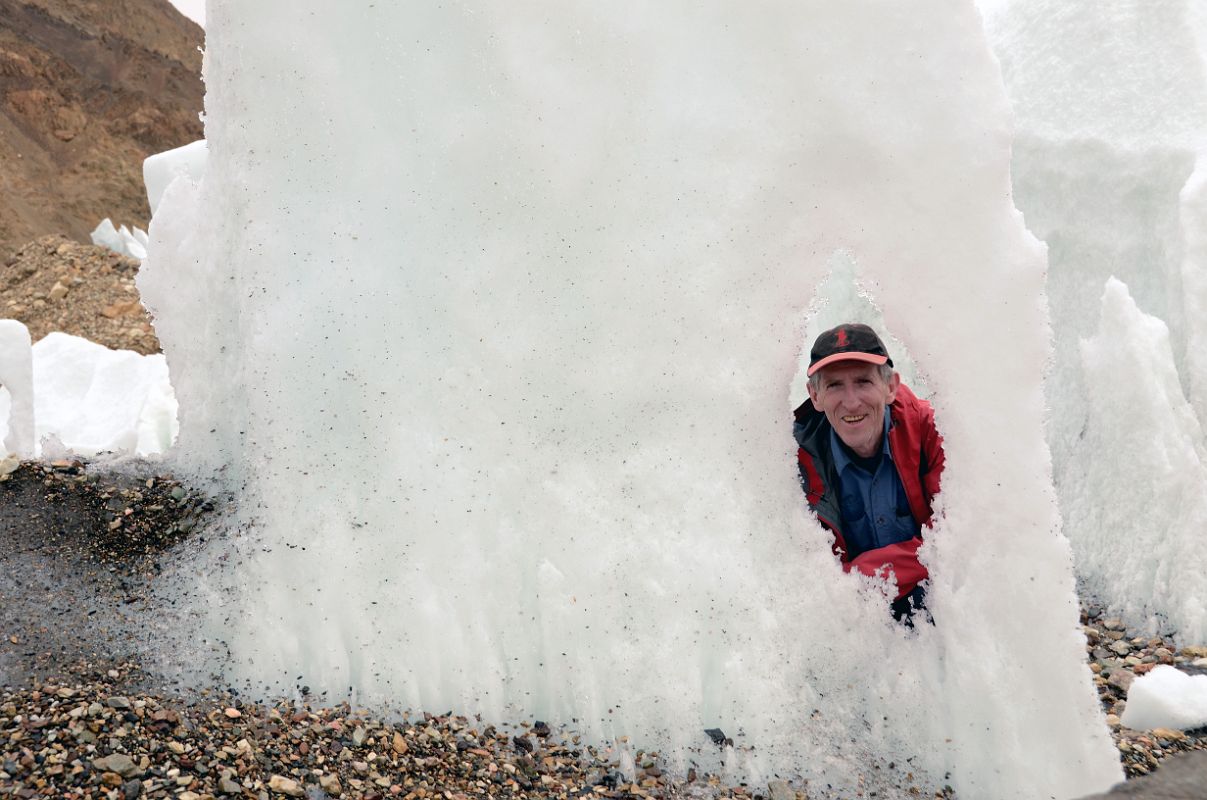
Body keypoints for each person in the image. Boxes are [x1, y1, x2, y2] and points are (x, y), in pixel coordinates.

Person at [793, 323, 944, 623]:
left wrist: (853, 578)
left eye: (863, 381)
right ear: (815, 396)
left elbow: (955, 541)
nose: (851, 401)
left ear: (891, 387)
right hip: (857, 627)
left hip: (941, 608)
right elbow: (802, 579)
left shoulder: (935, 431)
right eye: (834, 385)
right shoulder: (792, 462)